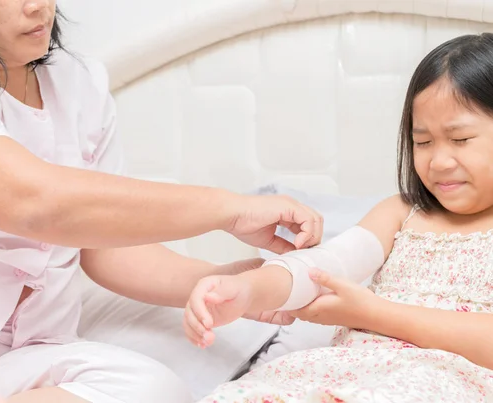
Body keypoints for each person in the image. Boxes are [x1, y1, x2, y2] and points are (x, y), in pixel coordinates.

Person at [0, 1, 325, 403]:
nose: (36, 6)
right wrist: (228, 209)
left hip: (22, 353)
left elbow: (107, 248)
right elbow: (35, 203)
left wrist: (222, 282)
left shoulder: (77, 82)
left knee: (154, 389)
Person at [186, 33, 493, 402]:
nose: (439, 161)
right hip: (351, 373)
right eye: (423, 142)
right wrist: (247, 291)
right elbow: (322, 267)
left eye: (460, 139)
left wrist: (376, 313)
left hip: (443, 385)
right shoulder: (402, 213)